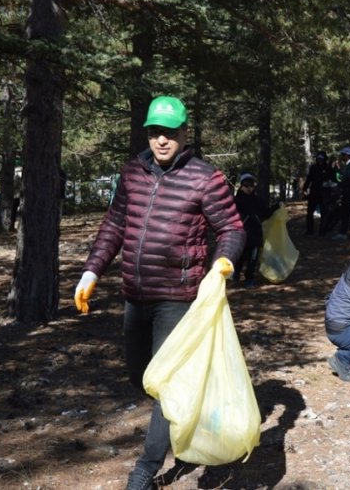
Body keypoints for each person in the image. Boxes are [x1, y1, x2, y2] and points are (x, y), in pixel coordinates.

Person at [73, 95, 246, 490]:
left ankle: (144, 472)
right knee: (141, 376)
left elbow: (233, 229)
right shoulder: (133, 172)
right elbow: (115, 224)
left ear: (185, 133)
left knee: (166, 383)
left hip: (179, 296)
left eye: (169, 133)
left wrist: (224, 262)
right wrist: (90, 271)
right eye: (155, 133)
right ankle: (184, 418)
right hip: (136, 293)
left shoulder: (206, 177)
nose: (162, 141)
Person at [233, 172, 277, 288]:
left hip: (256, 234)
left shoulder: (258, 200)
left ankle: (249, 278)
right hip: (241, 234)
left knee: (253, 258)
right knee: (241, 256)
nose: (249, 188)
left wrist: (275, 207)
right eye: (246, 185)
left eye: (251, 185)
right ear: (241, 186)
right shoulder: (236, 201)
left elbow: (266, 214)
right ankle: (236, 272)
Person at [332, 145, 350, 240]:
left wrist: (341, 186)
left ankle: (343, 233)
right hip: (349, 193)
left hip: (349, 193)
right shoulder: (349, 165)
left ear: (346, 156)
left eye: (342, 155)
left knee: (349, 213)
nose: (341, 157)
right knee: (348, 213)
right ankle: (342, 232)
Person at [301, 151, 332, 235]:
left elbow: (332, 180)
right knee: (310, 212)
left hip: (324, 193)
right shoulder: (313, 167)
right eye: (318, 158)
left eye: (321, 159)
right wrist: (304, 188)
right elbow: (309, 178)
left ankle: (322, 231)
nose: (320, 160)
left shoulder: (328, 168)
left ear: (324, 159)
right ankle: (309, 230)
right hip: (314, 192)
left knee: (323, 213)